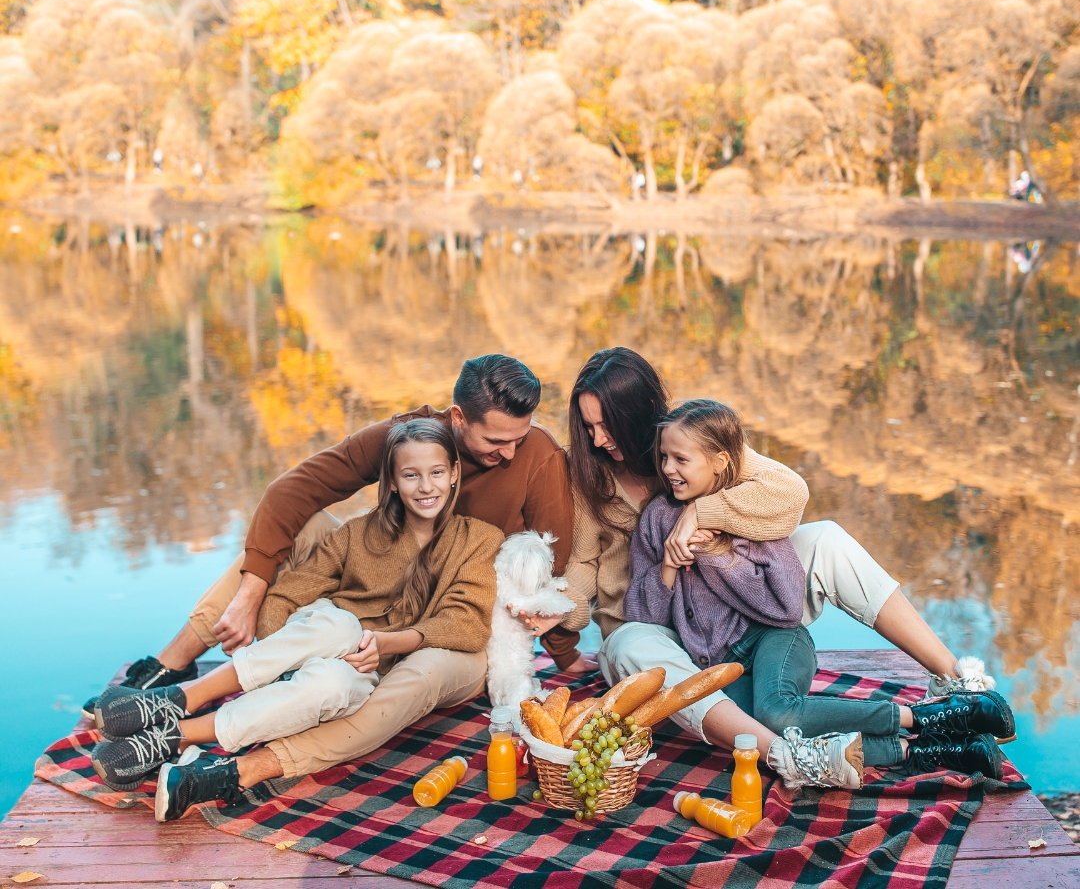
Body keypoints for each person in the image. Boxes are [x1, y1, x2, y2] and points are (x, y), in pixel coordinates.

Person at [518, 347, 1000, 787]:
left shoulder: (697, 436)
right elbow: (581, 564)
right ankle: (791, 758)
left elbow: (790, 492)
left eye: (607, 426)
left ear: (642, 419)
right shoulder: (587, 473)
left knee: (827, 538)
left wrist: (702, 514)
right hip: (655, 623)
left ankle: (954, 681)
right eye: (587, 426)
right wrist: (557, 605)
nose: (598, 440)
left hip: (748, 606)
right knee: (627, 645)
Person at [89, 353, 589, 714]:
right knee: (302, 526)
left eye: (518, 438)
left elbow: (551, 566)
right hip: (384, 586)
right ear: (458, 417)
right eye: (496, 440)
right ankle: (170, 667)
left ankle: (286, 690)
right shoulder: (410, 437)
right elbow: (292, 491)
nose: (509, 452)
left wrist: (564, 656)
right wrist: (251, 591)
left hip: (455, 611)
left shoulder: (538, 456)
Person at [90, 419, 504, 820]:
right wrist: (280, 654)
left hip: (367, 666)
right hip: (321, 636)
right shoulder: (359, 533)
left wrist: (388, 644)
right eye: (411, 475)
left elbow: (466, 622)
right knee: (340, 624)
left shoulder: (479, 540)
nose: (425, 486)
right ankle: (183, 697)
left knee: (333, 684)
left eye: (435, 472)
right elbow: (293, 589)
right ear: (393, 482)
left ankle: (173, 733)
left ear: (454, 473)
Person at [624, 399, 1013, 783]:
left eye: (681, 459)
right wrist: (668, 567)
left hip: (774, 639)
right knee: (758, 734)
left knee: (778, 713)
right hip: (719, 666)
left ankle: (922, 716)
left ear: (720, 461)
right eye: (664, 457)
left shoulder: (755, 511)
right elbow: (645, 618)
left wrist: (717, 555)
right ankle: (927, 749)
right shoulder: (658, 517)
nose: (668, 469)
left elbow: (786, 609)